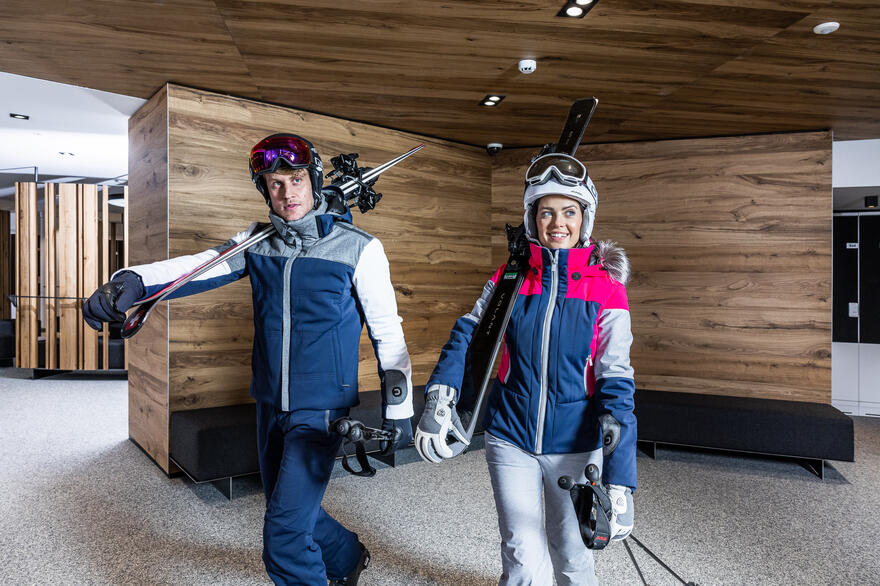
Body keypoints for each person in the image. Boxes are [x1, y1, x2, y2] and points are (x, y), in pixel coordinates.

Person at [82, 133, 414, 586]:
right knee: (286, 503)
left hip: (320, 409)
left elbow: (387, 329)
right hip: (268, 401)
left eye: (296, 179)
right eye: (274, 183)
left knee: (283, 536)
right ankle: (347, 556)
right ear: (263, 189)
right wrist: (133, 281)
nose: (287, 192)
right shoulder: (255, 244)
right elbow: (197, 266)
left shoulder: (359, 248)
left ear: (314, 179)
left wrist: (400, 406)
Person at [414, 152, 636, 586]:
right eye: (546, 211)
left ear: (584, 218)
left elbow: (617, 379)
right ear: (532, 218)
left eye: (569, 212)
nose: (558, 223)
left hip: (575, 442)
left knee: (572, 553)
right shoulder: (509, 279)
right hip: (510, 436)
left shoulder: (606, 291)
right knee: (520, 553)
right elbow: (468, 334)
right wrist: (440, 397)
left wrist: (621, 479)